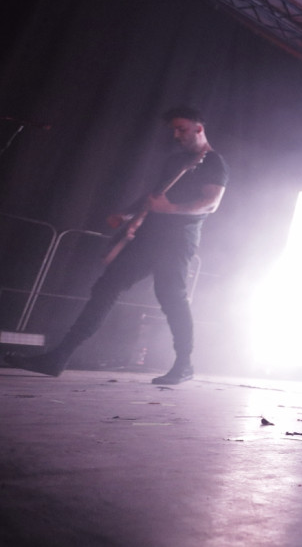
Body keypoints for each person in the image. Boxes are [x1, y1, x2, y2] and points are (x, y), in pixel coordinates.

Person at [4, 106, 227, 385]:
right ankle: (58, 357)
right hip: (148, 237)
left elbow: (211, 203)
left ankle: (184, 364)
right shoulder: (176, 160)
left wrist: (170, 209)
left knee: (171, 297)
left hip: (177, 241)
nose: (176, 135)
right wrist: (126, 215)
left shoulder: (214, 162)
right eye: (174, 129)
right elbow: (153, 196)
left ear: (199, 128)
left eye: (181, 129)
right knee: (106, 287)